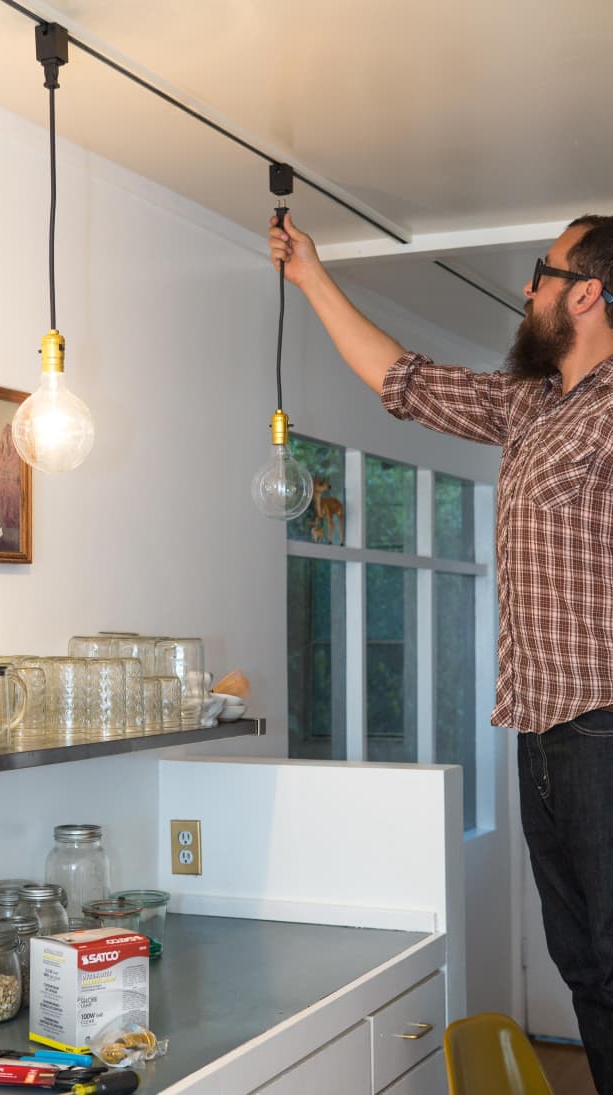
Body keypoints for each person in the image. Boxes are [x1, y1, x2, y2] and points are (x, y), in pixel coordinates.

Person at [269, 212, 613, 1093]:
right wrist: (311, 276)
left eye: (542, 272)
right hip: (542, 733)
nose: (527, 288)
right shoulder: (533, 404)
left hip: (607, 728)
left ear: (586, 292)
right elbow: (406, 381)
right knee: (584, 966)